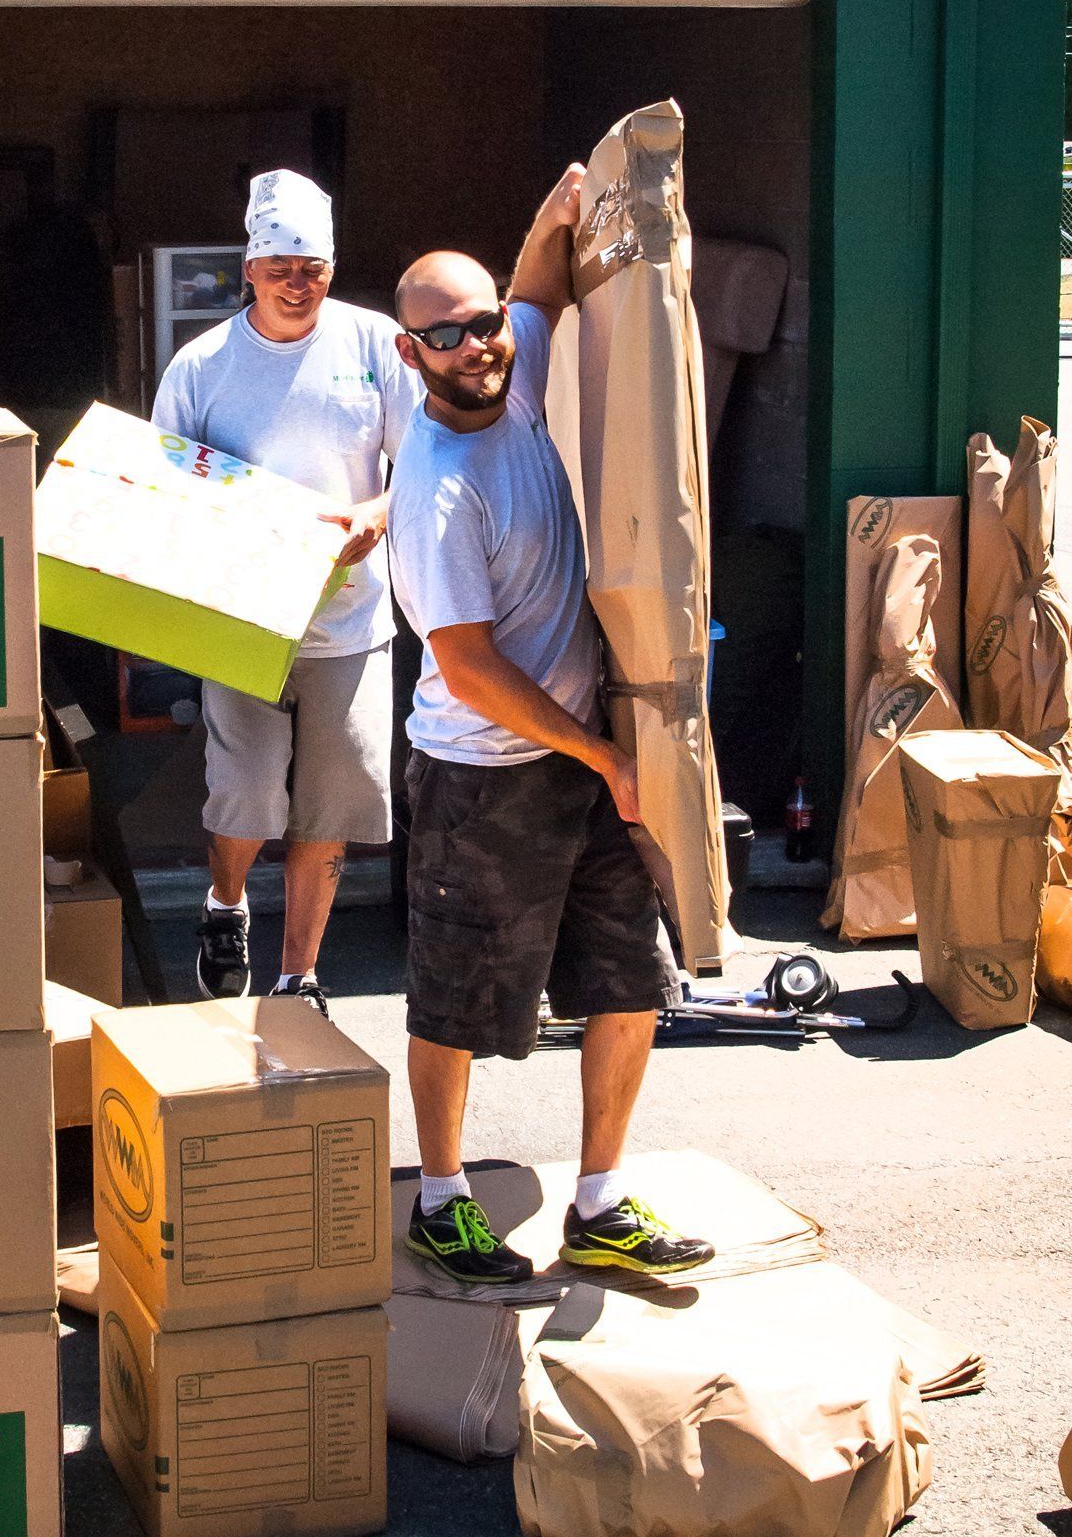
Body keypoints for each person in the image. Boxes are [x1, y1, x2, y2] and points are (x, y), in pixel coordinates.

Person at [385, 166, 715, 1283]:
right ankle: (439, 1198)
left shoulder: (514, 379)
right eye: (446, 335)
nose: (477, 344)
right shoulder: (437, 491)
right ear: (407, 353)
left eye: (482, 326)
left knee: (630, 979)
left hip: (585, 761)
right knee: (456, 994)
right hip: (484, 779)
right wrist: (603, 754)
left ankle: (600, 1202)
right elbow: (468, 669)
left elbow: (536, 283)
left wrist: (573, 196)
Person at [153, 169, 419, 1009]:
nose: (297, 282)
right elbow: (162, 484)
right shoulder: (201, 366)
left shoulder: (374, 344)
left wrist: (379, 509)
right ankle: (226, 904)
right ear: (249, 269)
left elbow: (424, 459)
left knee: (329, 805)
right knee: (246, 796)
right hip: (245, 616)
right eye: (280, 265)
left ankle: (299, 972)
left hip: (353, 618)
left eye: (312, 266)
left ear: (331, 269)